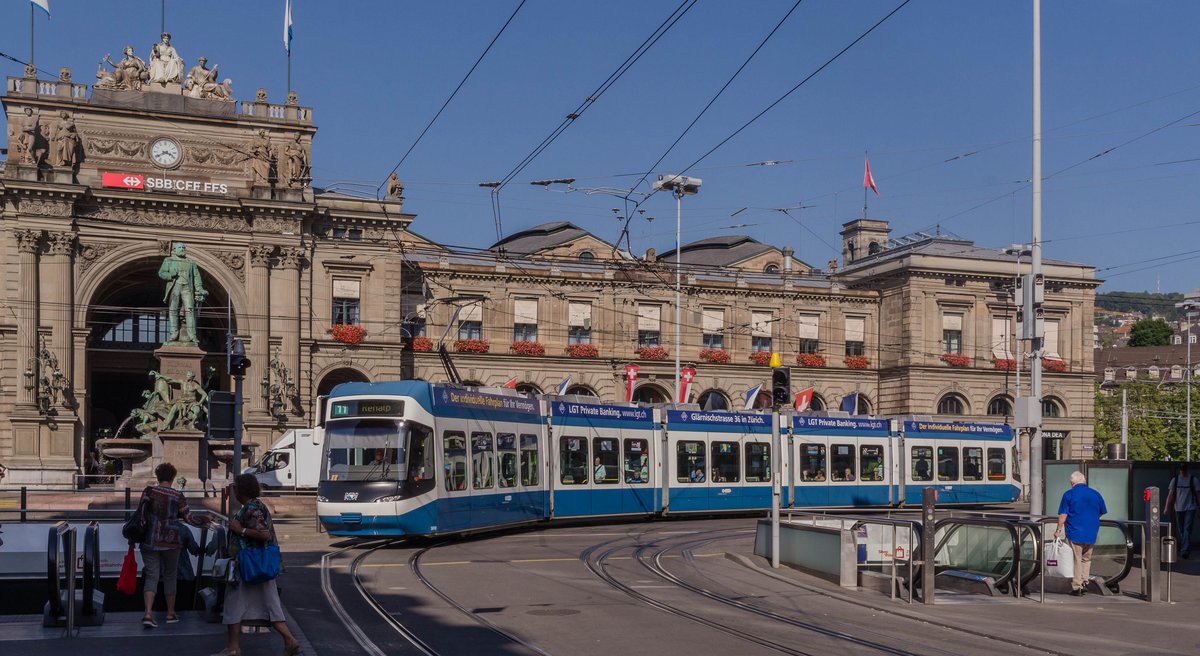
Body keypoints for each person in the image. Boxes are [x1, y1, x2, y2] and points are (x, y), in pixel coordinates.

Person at [217, 473, 302, 656]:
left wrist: (240, 529)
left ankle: (233, 648)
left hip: (249, 564)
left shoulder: (252, 508)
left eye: (235, 487)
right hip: (257, 564)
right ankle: (290, 641)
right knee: (269, 605)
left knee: (233, 604)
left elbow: (264, 534)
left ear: (241, 490)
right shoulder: (255, 505)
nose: (234, 491)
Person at [137, 462, 208, 628]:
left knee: (152, 576)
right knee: (170, 576)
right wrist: (205, 520)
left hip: (149, 540)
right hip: (171, 541)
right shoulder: (177, 495)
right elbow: (189, 517)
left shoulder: (148, 492)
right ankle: (170, 613)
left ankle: (148, 613)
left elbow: (141, 514)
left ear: (158, 476)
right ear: (173, 477)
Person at [1055, 470, 1108, 596]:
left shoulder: (1069, 494)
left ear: (1072, 482)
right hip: (1091, 532)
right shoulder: (1095, 494)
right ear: (1084, 481)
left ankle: (1077, 586)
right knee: (1086, 559)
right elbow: (1101, 511)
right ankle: (1084, 582)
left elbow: (1063, 515)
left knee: (1076, 559)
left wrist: (1058, 530)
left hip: (1074, 532)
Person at [158, 242, 208, 344]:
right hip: (175, 287)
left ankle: (192, 335)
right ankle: (173, 334)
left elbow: (196, 277)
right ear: (174, 250)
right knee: (173, 310)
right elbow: (161, 273)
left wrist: (199, 288)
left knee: (190, 310)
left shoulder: (191, 262)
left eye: (183, 247)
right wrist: (171, 275)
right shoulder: (168, 260)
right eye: (180, 247)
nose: (182, 249)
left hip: (187, 288)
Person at [1164, 462, 1200, 559]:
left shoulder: (1193, 480)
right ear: (1180, 470)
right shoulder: (1175, 480)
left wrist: (1198, 508)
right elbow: (1170, 495)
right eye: (1182, 470)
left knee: (1186, 529)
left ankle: (1184, 550)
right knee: (1182, 530)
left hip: (1190, 507)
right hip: (1179, 507)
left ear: (1187, 470)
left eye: (1184, 470)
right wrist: (1166, 507)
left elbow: (1198, 495)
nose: (1183, 472)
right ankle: (1187, 547)